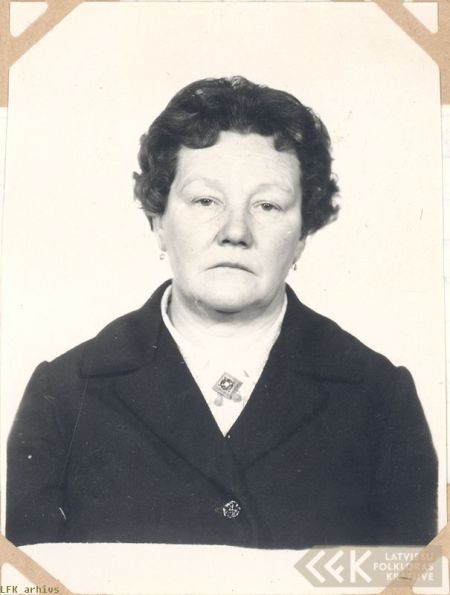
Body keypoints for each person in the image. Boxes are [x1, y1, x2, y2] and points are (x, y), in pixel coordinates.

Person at [6, 76, 437, 548]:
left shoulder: (381, 398)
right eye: (206, 200)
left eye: (267, 205)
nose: (235, 231)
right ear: (158, 219)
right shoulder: (61, 395)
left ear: (303, 234)